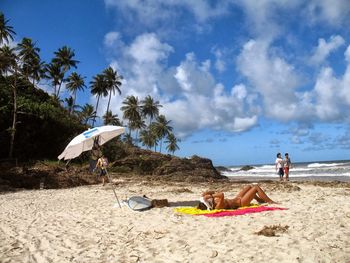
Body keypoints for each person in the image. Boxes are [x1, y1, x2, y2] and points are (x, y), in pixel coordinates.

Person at [199, 184, 276, 210]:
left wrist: (205, 194)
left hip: (237, 198)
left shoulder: (213, 201)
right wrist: (210, 196)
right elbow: (221, 194)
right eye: (207, 201)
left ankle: (259, 199)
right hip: (241, 203)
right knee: (256, 187)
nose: (208, 200)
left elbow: (212, 192)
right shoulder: (217, 207)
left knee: (249, 186)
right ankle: (270, 201)